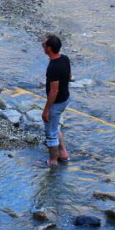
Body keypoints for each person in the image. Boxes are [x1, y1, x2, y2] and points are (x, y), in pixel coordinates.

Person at [42, 35, 71, 166]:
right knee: (55, 125)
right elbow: (69, 76)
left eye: (44, 45)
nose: (43, 46)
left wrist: (46, 110)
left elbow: (54, 91)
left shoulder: (53, 67)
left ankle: (53, 161)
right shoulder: (65, 58)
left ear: (49, 48)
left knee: (50, 133)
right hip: (65, 98)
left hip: (57, 102)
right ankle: (63, 153)